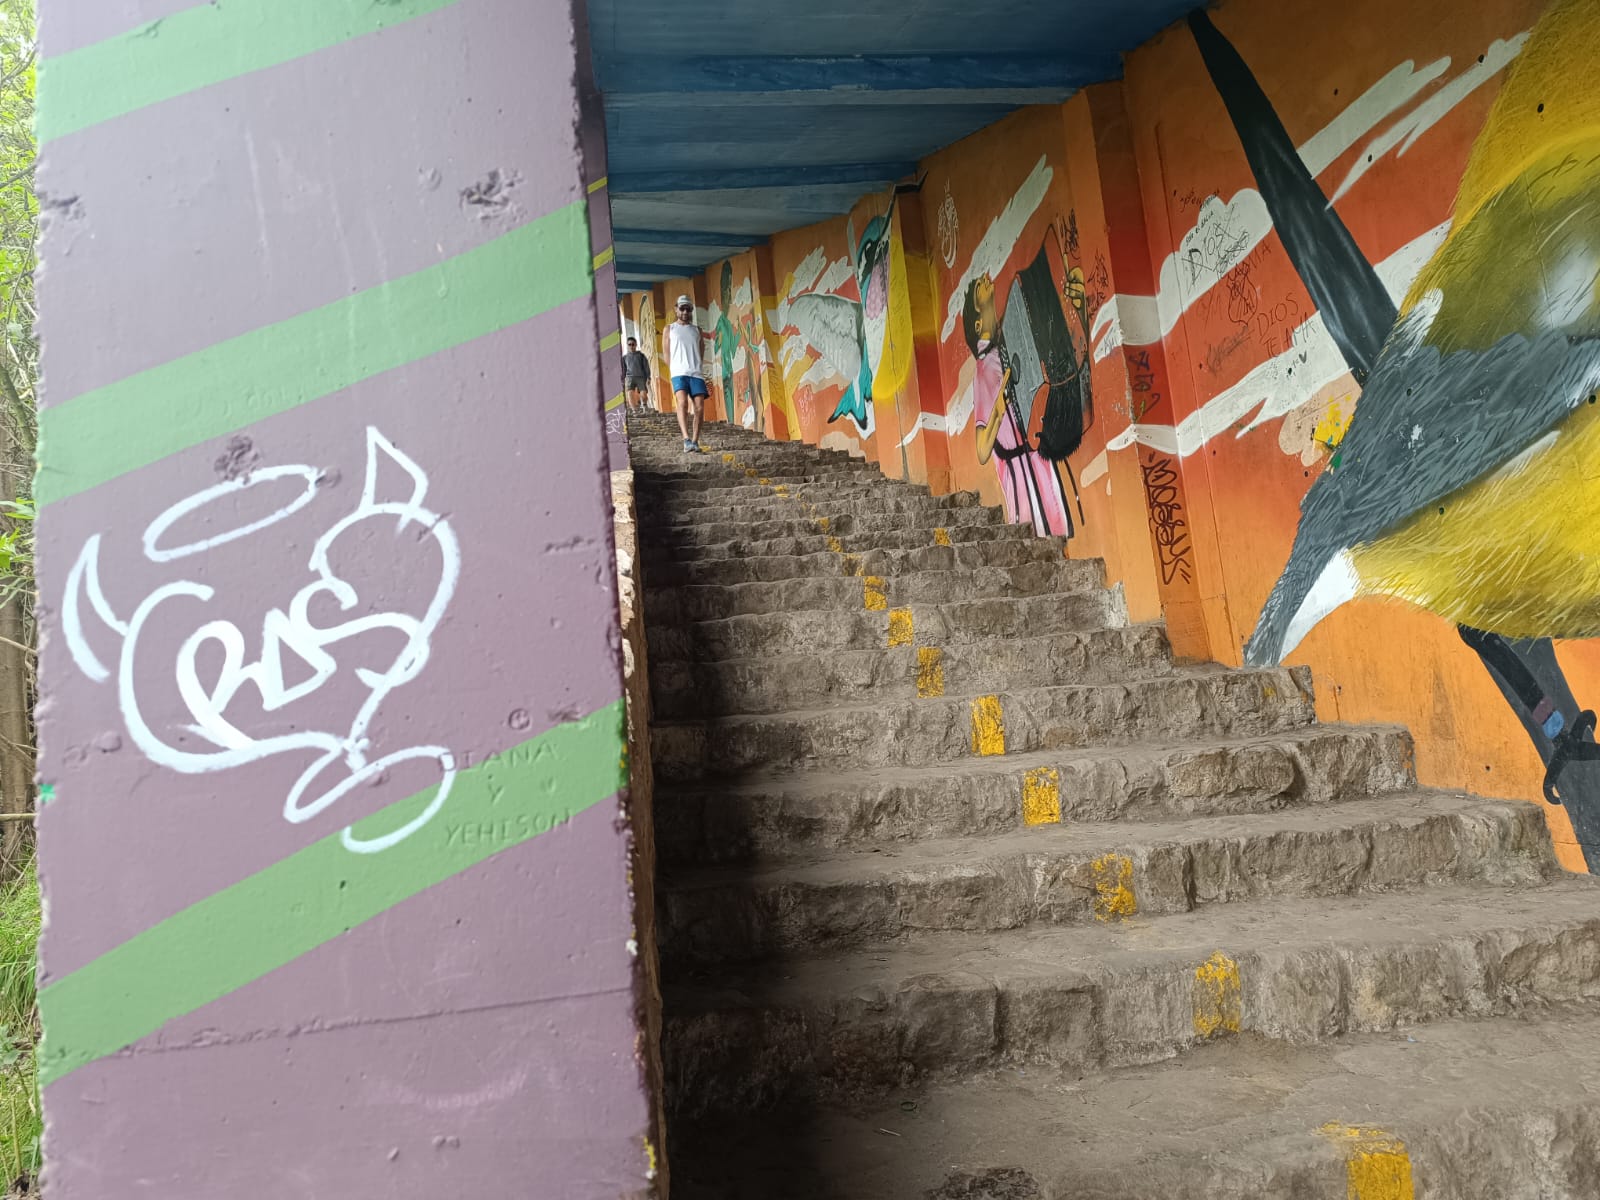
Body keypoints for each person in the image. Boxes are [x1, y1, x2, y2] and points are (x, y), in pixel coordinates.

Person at [665, 294, 709, 453]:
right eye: (682, 308)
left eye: (688, 309)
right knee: (682, 403)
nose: (685, 312)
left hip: (695, 373)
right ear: (676, 309)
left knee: (699, 407)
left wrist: (697, 365)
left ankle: (695, 441)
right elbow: (666, 353)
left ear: (691, 311)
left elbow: (701, 350)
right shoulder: (669, 329)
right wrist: (673, 370)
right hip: (678, 373)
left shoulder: (697, 330)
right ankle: (686, 439)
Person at [621, 337, 651, 413]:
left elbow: (646, 366)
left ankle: (644, 404)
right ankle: (634, 410)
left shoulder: (641, 355)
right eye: (629, 344)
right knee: (630, 393)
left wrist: (648, 377)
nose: (631, 346)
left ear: (636, 345)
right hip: (629, 378)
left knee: (643, 394)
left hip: (641, 377)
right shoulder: (624, 358)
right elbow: (623, 370)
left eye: (633, 344)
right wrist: (622, 379)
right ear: (627, 345)